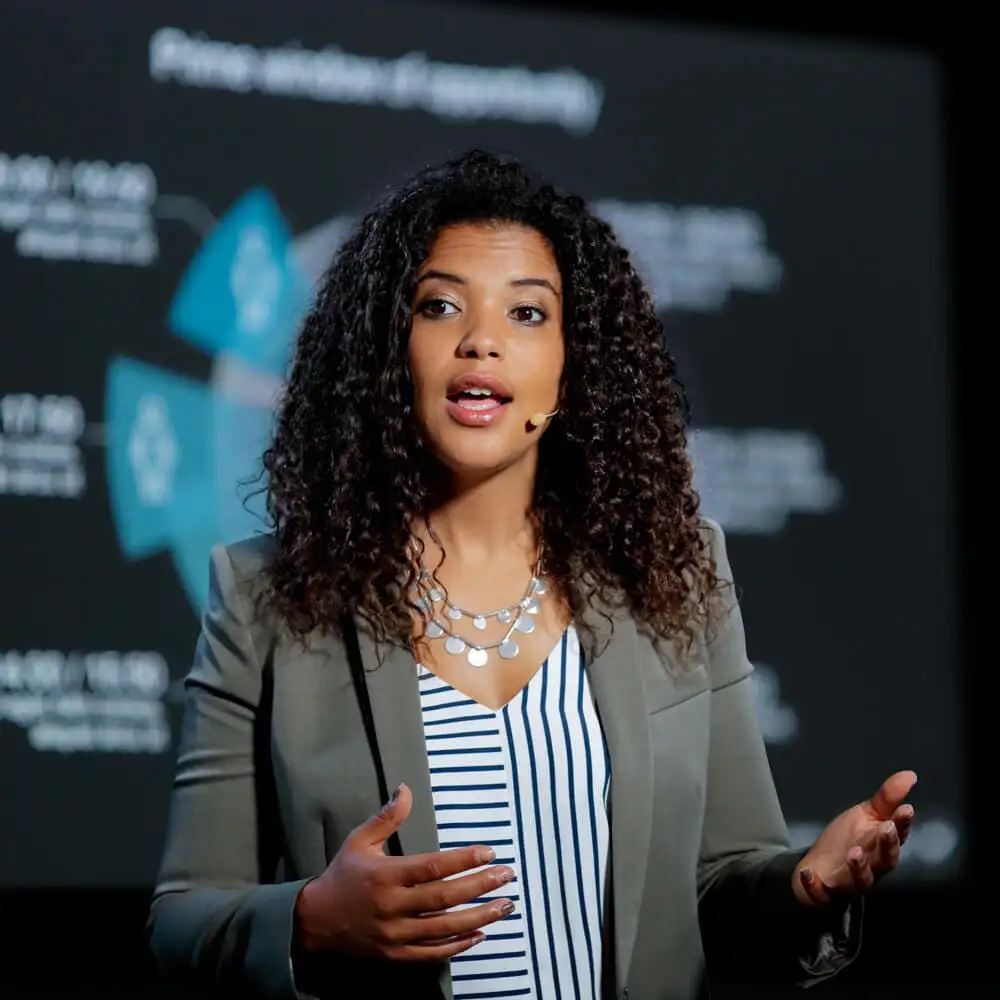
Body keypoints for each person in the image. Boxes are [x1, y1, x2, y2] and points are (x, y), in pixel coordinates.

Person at [147, 150, 917, 1000]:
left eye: (526, 313)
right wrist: (310, 922)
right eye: (440, 306)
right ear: (384, 350)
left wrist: (806, 888)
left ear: (573, 361)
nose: (481, 339)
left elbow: (721, 885)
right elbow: (182, 922)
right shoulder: (264, 596)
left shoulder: (676, 570)